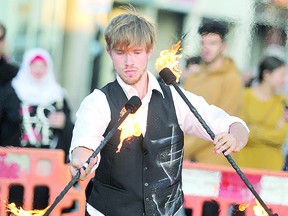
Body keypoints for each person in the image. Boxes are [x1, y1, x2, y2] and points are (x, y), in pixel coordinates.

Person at [69, 12, 249, 216]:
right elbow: (84, 143)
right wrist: (82, 160)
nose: (129, 61)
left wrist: (235, 137)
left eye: (137, 52)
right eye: (121, 52)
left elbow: (232, 123)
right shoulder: (98, 101)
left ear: (149, 50)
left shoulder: (176, 98)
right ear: (109, 52)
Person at [0, 48, 74, 209]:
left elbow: (72, 130)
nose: (39, 70)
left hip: (46, 167)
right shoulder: (9, 93)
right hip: (13, 165)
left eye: (43, 66)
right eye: (34, 65)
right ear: (27, 67)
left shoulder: (58, 95)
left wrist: (64, 123)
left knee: (41, 207)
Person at [182, 20, 244, 166]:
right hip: (185, 159)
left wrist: (183, 151)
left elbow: (221, 124)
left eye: (212, 43)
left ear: (223, 47)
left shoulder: (232, 79)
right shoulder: (193, 78)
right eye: (203, 43)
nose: (206, 48)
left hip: (213, 161)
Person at [234, 56, 288, 171]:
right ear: (267, 75)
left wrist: (252, 129)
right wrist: (272, 132)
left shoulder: (284, 102)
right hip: (242, 166)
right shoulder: (243, 96)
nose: (284, 79)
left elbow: (280, 137)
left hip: (272, 169)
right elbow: (238, 131)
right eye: (281, 75)